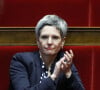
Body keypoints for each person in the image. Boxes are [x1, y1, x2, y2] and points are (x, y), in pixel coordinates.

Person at [9, 15, 85, 90]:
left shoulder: (65, 61)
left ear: (62, 42)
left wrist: (68, 73)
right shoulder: (21, 61)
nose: (49, 42)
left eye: (55, 37)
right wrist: (54, 76)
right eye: (44, 37)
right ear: (38, 41)